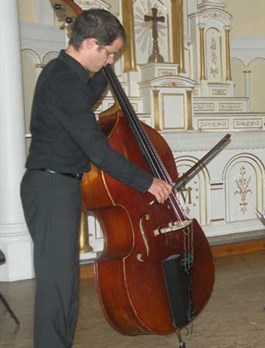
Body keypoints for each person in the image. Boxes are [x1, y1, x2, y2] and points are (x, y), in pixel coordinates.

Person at [20, 9, 172, 347]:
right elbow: (97, 150)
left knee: (65, 284)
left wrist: (106, 71)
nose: (111, 59)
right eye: (109, 53)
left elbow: (82, 102)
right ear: (90, 43)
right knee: (56, 288)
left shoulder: (68, 77)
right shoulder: (62, 79)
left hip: (59, 185)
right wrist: (147, 181)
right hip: (50, 186)